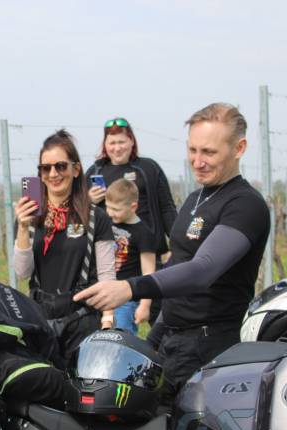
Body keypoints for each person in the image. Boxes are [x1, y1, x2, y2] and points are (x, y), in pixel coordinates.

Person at [75, 103, 270, 404]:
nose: (198, 161)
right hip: (173, 339)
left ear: (239, 148)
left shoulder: (244, 204)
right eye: (192, 150)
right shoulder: (196, 198)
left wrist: (129, 288)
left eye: (209, 152)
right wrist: (153, 340)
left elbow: (203, 269)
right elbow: (177, 264)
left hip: (208, 348)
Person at [14, 129, 115, 359]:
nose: (53, 174)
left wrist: (108, 320)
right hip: (41, 318)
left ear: (76, 169)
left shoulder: (95, 217)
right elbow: (22, 272)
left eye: (61, 166)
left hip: (83, 319)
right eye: (46, 168)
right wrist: (23, 227)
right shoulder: (29, 217)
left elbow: (107, 275)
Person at [86, 117, 177, 325]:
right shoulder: (96, 171)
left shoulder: (148, 168)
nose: (117, 148)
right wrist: (89, 200)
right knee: (118, 317)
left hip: (149, 254)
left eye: (122, 142)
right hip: (116, 259)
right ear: (105, 145)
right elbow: (80, 211)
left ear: (131, 142)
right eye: (112, 143)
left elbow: (167, 207)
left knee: (160, 316)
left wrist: (177, 243)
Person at [104, 179, 156, 335]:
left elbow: (149, 273)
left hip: (125, 298)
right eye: (107, 207)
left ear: (133, 207)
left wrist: (145, 305)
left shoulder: (144, 233)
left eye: (116, 209)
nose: (110, 213)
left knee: (122, 338)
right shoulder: (107, 223)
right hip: (104, 291)